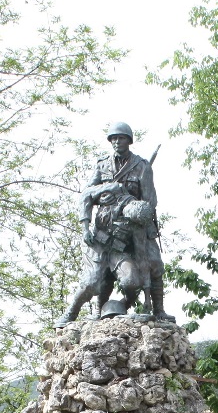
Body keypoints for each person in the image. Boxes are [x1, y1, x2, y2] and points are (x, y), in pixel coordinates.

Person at [55, 121, 171, 326]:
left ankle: (157, 309)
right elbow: (87, 195)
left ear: (129, 140)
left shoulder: (141, 166)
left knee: (153, 264)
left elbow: (150, 200)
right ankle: (74, 312)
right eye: (114, 138)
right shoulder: (102, 165)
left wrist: (131, 209)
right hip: (105, 229)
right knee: (93, 280)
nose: (117, 142)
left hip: (135, 225)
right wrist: (86, 223)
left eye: (121, 138)